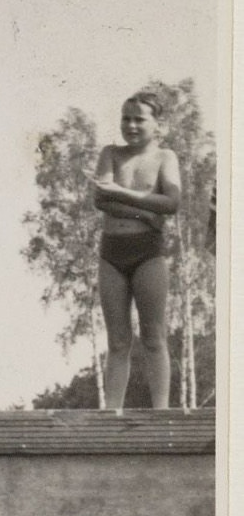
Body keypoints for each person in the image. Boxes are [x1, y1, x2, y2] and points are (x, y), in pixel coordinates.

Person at [93, 91, 181, 412]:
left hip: (148, 252)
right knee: (117, 341)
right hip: (112, 252)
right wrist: (144, 211)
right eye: (125, 118)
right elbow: (101, 199)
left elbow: (171, 202)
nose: (131, 125)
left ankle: (162, 413)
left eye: (139, 119)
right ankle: (111, 413)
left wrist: (120, 194)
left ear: (157, 124)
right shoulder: (110, 153)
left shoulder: (165, 157)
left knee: (153, 337)